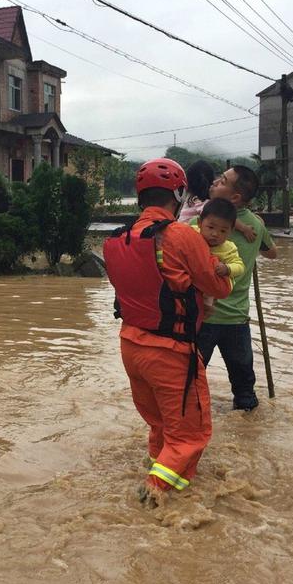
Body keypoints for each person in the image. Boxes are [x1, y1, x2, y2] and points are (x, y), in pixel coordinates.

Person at [103, 158, 233, 504]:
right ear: (178, 193)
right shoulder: (179, 236)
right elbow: (218, 289)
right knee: (190, 434)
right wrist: (224, 270)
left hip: (131, 347)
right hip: (171, 353)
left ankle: (160, 471)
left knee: (161, 426)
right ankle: (153, 495)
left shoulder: (116, 240)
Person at [193, 166, 277, 412]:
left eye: (222, 181)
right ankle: (249, 433)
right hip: (237, 319)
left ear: (235, 197)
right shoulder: (256, 226)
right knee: (244, 389)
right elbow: (272, 253)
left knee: (190, 382)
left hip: (201, 317)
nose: (214, 183)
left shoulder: (195, 225)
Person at [192, 198, 245, 312]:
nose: (215, 234)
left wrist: (227, 268)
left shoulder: (229, 248)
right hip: (192, 281)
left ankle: (206, 308)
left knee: (207, 301)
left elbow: (240, 266)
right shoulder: (191, 233)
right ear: (199, 223)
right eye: (210, 228)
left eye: (223, 231)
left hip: (212, 286)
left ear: (231, 231)